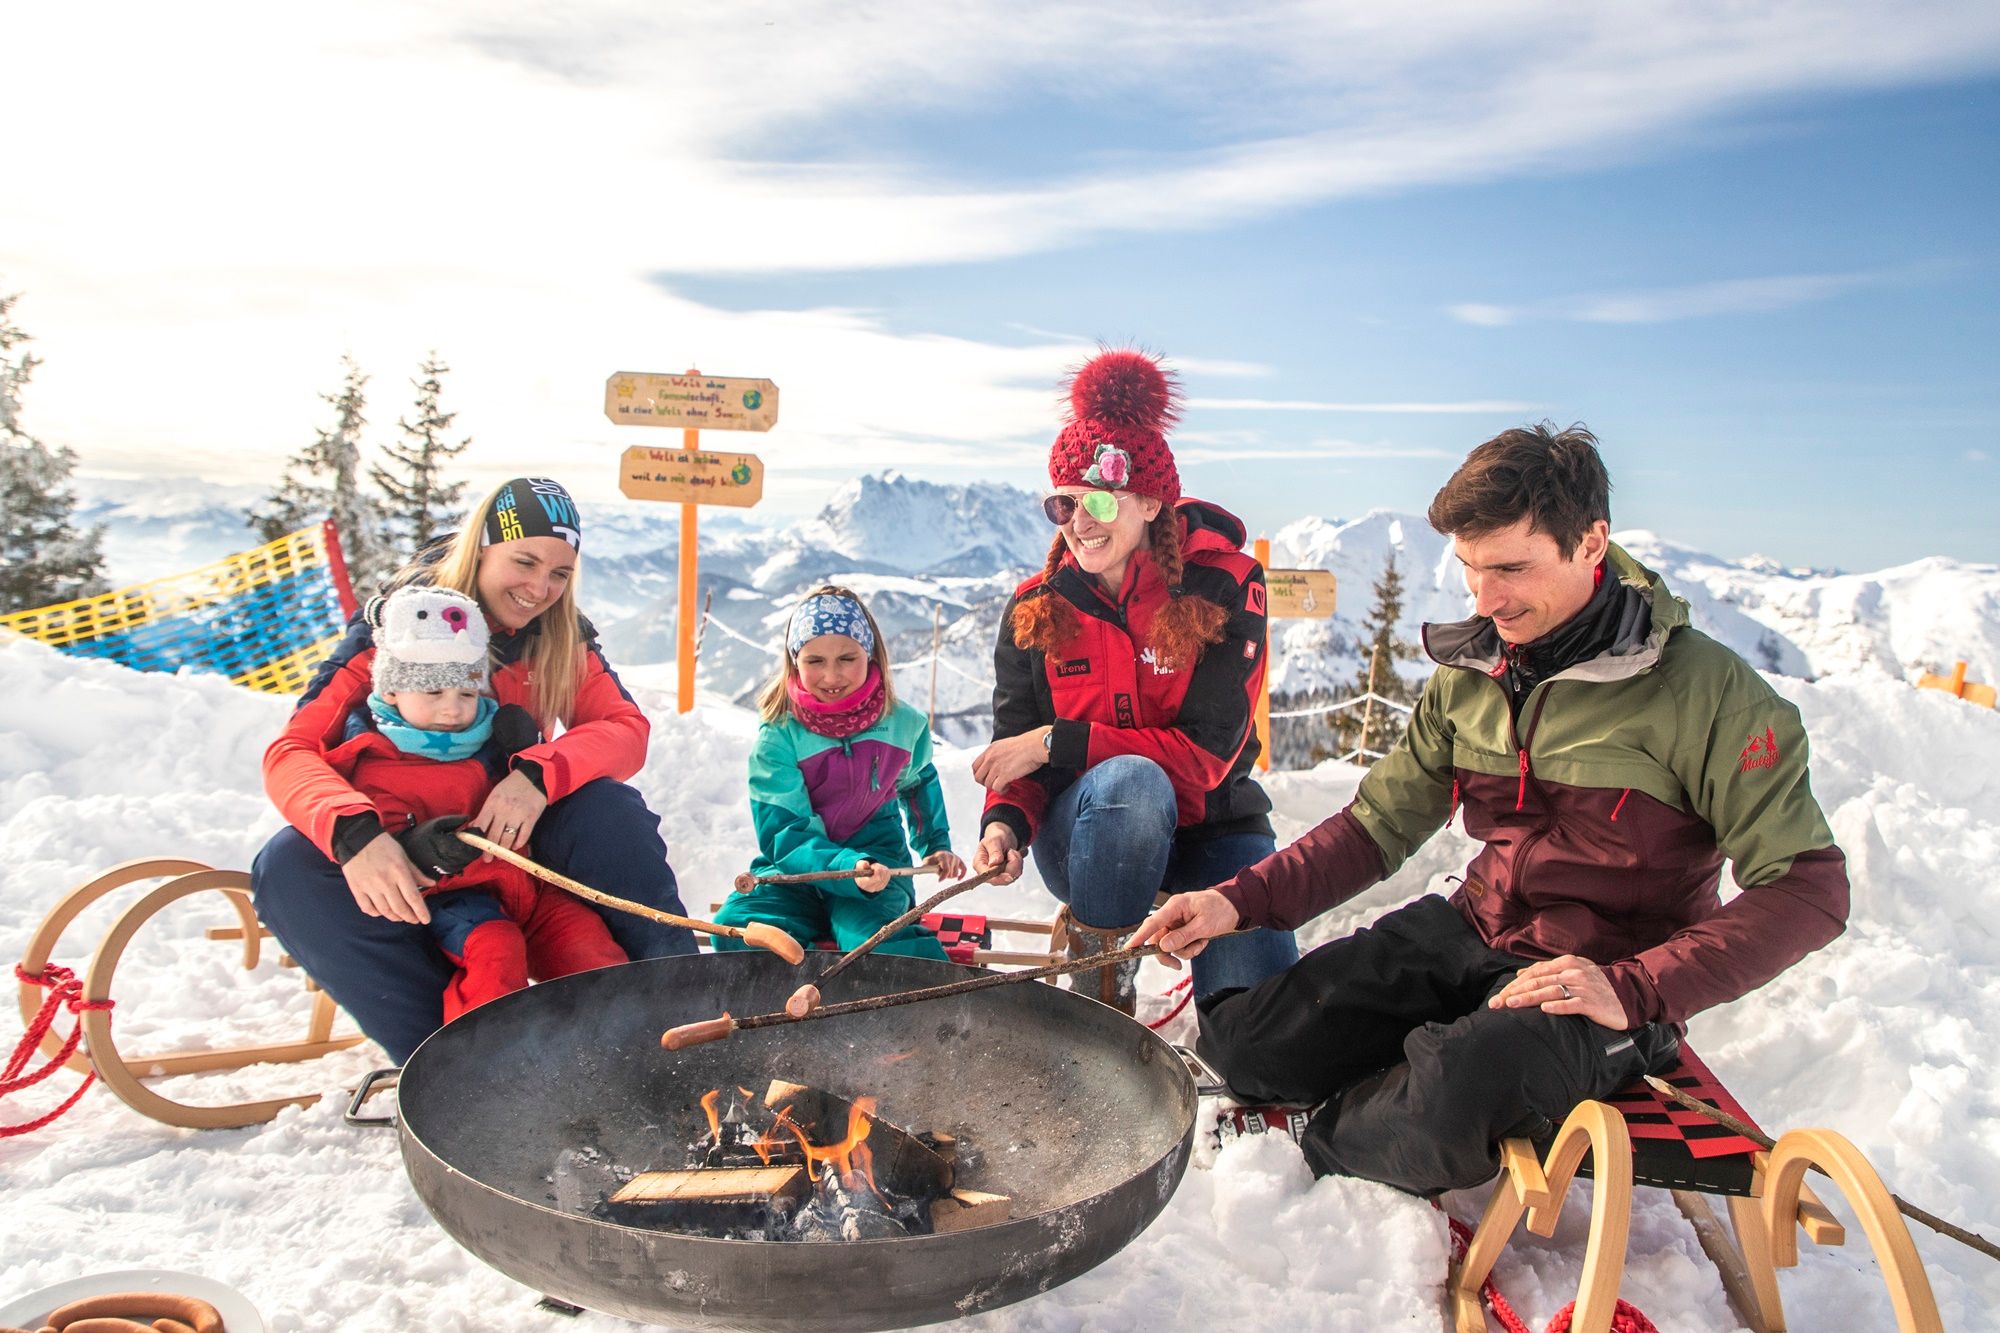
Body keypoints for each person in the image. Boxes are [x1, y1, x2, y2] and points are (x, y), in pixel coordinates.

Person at [1132, 424, 1850, 1196]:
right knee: (1249, 1043)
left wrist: (1636, 989)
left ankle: (1343, 1129)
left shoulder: (1707, 694)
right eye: (1472, 570)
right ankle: (1407, 1071)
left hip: (1594, 980)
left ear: (1591, 542)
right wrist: (1234, 902)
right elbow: (1376, 826)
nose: (1487, 599)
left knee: (1451, 1095)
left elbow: (1809, 888)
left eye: (1511, 568)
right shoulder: (1473, 671)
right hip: (1473, 925)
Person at [253, 477, 697, 1063]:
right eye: (525, 561)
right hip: (405, 846)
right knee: (286, 866)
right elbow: (293, 750)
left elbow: (624, 730)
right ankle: (445, 1067)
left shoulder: (557, 637)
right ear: (479, 548)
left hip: (515, 856)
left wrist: (537, 776)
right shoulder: (401, 632)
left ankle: (682, 1012)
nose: (541, 588)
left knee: (607, 811)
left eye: (560, 574)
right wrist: (355, 835)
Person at [970, 348, 1298, 1015]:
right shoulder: (1036, 605)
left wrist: (1054, 743)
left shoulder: (1226, 585)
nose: (1078, 521)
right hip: (1091, 838)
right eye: (1062, 503)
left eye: (1097, 499)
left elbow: (1206, 759)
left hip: (1215, 832)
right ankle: (1099, 985)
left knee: (1259, 1031)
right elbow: (1016, 747)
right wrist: (1005, 821)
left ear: (1150, 501)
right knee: (1129, 783)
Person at [339, 585, 627, 1020]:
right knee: (495, 950)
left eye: (467, 694)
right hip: (459, 905)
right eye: (434, 693)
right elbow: (389, 855)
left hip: (527, 889)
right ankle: (479, 1061)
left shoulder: (492, 737)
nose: (453, 711)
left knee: (588, 943)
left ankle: (620, 1041)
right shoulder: (379, 762)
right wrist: (422, 850)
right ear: (394, 691)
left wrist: (524, 754)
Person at [714, 586, 966, 959]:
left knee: (870, 939)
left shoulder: (902, 724)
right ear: (794, 660)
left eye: (847, 658)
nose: (831, 675)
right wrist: (845, 867)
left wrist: (934, 845)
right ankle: (816, 978)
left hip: (877, 868)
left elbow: (916, 784)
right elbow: (785, 834)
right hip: (796, 871)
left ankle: (935, 995)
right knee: (738, 926)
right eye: (815, 660)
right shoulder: (779, 737)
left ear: (870, 654)